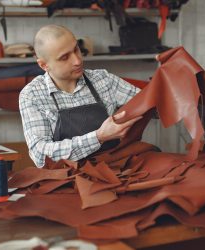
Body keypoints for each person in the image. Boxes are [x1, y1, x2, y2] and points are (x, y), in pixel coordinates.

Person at [19, 24, 142, 168]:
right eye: (65, 57)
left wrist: (168, 80)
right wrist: (99, 137)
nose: (77, 61)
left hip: (114, 167)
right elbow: (41, 156)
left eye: (76, 49)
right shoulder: (32, 95)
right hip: (66, 177)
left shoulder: (102, 80)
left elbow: (149, 105)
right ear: (44, 65)